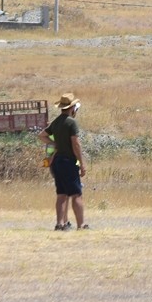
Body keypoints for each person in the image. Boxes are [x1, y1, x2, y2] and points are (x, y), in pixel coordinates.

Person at [39, 93, 88, 231]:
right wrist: (82, 163)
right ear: (72, 108)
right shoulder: (71, 122)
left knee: (61, 194)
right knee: (76, 194)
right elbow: (76, 144)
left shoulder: (56, 122)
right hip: (68, 162)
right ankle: (81, 225)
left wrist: (54, 143)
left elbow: (41, 135)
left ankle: (60, 224)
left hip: (57, 162)